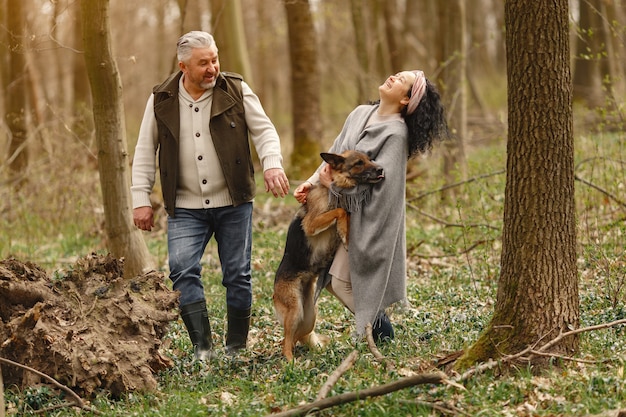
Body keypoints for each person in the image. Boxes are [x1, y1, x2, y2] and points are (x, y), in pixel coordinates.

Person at [131, 31, 290, 360]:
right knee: (182, 270)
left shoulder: (236, 89)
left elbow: (265, 131)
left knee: (237, 274)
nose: (212, 67)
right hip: (185, 206)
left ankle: (235, 348)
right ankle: (203, 349)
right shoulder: (161, 98)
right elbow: (145, 149)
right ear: (183, 66)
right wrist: (141, 198)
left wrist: (272, 165)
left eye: (214, 59)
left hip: (234, 201)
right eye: (203, 62)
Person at [294, 70, 448, 343]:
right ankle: (380, 333)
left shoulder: (395, 133)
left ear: (405, 100)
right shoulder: (360, 113)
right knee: (333, 280)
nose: (393, 77)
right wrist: (311, 182)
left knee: (340, 282)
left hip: (368, 221)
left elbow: (381, 185)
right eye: (397, 74)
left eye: (402, 81)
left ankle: (382, 334)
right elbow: (336, 152)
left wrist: (333, 188)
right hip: (341, 214)